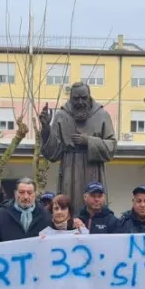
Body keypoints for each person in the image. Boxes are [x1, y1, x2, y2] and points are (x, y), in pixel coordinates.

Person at [39, 82, 119, 211]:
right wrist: (46, 129)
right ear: (70, 98)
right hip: (69, 170)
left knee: (94, 205)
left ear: (89, 96)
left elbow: (112, 147)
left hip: (92, 169)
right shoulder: (61, 115)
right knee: (69, 206)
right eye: (76, 98)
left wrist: (89, 141)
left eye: (84, 98)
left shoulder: (102, 115)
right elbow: (52, 153)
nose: (80, 102)